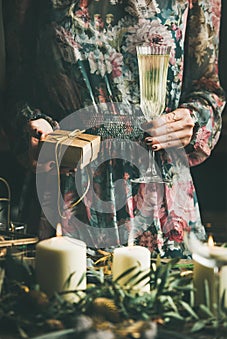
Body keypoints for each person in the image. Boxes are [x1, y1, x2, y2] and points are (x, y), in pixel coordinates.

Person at [1, 0, 226, 258]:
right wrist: (30, 123)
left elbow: (207, 88)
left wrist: (192, 119)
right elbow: (16, 89)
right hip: (67, 187)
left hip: (158, 192)